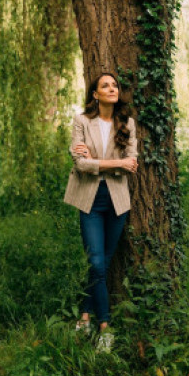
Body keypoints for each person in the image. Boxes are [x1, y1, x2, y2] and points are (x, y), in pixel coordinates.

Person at [63, 73, 138, 353]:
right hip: (90, 198)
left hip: (117, 200)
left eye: (114, 85)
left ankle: (84, 316)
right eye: (105, 85)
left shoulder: (126, 123)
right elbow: (81, 165)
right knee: (95, 262)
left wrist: (98, 162)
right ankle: (105, 327)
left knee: (102, 264)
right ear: (95, 94)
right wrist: (115, 164)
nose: (112, 88)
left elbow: (132, 162)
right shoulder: (82, 122)